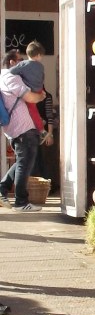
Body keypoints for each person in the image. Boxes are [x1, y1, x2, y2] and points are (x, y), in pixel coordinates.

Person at [0, 55, 47, 211]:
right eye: (20, 60)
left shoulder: (3, 76)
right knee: (24, 163)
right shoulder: (10, 76)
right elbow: (29, 97)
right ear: (12, 62)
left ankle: (2, 188)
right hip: (22, 127)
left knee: (23, 161)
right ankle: (21, 202)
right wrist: (41, 96)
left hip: (17, 128)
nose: (23, 63)